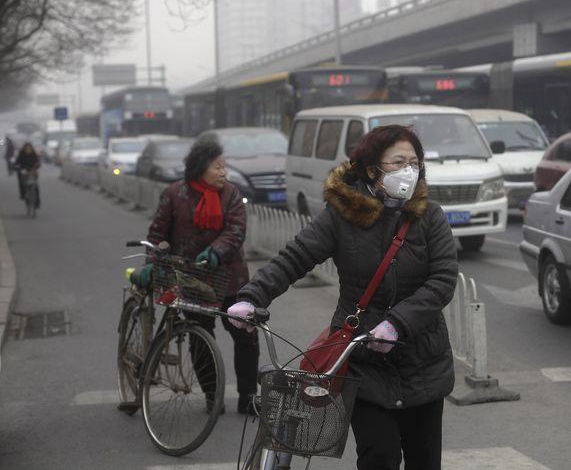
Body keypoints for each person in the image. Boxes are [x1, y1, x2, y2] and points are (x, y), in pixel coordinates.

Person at [228, 125, 458, 470]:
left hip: (422, 361)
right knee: (378, 456)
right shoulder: (342, 216)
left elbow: (443, 279)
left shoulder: (429, 216)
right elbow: (296, 256)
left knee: (424, 461)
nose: (409, 170)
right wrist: (252, 296)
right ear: (372, 170)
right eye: (399, 162)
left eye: (415, 162)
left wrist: (398, 323)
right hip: (363, 360)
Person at [135, 137, 258, 414]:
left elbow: (236, 230)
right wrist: (152, 262)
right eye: (218, 167)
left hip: (230, 279)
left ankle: (248, 395)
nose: (224, 173)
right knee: (200, 337)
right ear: (200, 167)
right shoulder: (174, 194)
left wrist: (216, 250)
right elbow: (158, 234)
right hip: (191, 280)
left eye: (224, 167)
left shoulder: (231, 195)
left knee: (246, 336)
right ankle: (212, 397)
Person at [14, 142, 40, 208]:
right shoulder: (21, 154)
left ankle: (36, 203)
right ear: (24, 148)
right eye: (26, 148)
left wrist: (36, 167)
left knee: (36, 187)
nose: (28, 149)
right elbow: (17, 162)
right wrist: (17, 167)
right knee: (22, 184)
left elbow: (38, 162)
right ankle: (23, 195)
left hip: (32, 172)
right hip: (24, 172)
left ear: (31, 148)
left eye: (29, 148)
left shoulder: (34, 154)